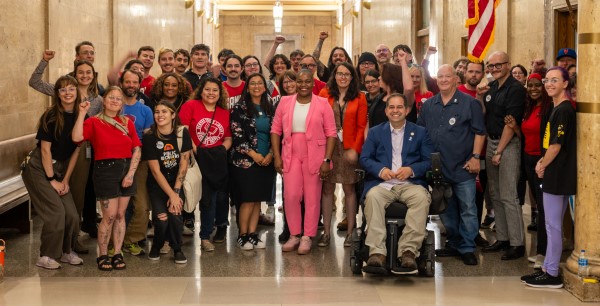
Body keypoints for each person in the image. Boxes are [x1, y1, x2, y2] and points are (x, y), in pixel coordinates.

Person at [418, 65, 486, 266]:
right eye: (440, 77)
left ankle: (467, 247)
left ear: (456, 79)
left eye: (448, 76)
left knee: (468, 208)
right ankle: (454, 243)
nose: (444, 80)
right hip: (438, 168)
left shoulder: (470, 103)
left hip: (463, 166)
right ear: (436, 80)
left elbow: (480, 132)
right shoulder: (429, 105)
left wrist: (475, 157)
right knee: (446, 208)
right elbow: (421, 133)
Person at [360, 93, 433, 274]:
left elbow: (429, 161)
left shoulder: (420, 132)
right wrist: (380, 170)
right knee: (373, 197)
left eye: (399, 107)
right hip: (382, 184)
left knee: (422, 199)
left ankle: (408, 252)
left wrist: (411, 169)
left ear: (407, 110)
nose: (395, 111)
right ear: (386, 111)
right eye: (391, 107)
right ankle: (377, 253)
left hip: (411, 183)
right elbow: (365, 158)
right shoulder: (376, 132)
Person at [72, 86, 142, 271]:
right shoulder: (94, 122)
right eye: (111, 97)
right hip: (105, 170)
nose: (114, 101)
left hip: (127, 169)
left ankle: (117, 252)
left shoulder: (127, 122)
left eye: (118, 99)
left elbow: (137, 148)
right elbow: (77, 137)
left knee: (120, 214)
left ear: (122, 103)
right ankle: (102, 254)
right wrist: (81, 113)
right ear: (104, 100)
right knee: (109, 215)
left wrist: (131, 173)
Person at [521, 66, 576, 289]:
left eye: (555, 80)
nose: (549, 84)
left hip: (558, 173)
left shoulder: (563, 109)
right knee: (552, 223)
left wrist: (542, 164)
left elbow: (556, 144)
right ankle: (547, 268)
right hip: (555, 171)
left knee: (552, 225)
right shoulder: (556, 107)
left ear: (565, 84)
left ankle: (551, 272)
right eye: (547, 80)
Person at [270, 69, 337, 255]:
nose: (304, 85)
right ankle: (294, 235)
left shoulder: (322, 103)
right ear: (295, 83)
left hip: (315, 155)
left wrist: (327, 159)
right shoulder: (285, 102)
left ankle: (307, 236)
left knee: (312, 197)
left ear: (313, 83)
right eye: (300, 81)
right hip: (291, 153)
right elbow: (275, 130)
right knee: (291, 195)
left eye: (308, 81)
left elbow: (331, 134)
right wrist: (277, 156)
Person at [22, 75, 84, 269]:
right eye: (63, 90)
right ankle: (46, 255)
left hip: (60, 169)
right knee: (56, 213)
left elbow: (76, 151)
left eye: (71, 89)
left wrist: (65, 179)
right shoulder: (51, 116)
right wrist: (51, 179)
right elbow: (45, 150)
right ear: (57, 94)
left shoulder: (82, 116)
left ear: (77, 92)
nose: (67, 93)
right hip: (38, 168)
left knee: (72, 215)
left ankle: (66, 252)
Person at [479, 51, 527, 260]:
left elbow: (511, 122)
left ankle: (517, 244)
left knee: (509, 195)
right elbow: (486, 113)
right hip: (491, 140)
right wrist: (480, 97)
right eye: (491, 65)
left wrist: (499, 151)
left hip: (508, 144)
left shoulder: (515, 89)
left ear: (508, 65)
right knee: (496, 193)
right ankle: (503, 238)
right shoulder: (492, 87)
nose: (495, 68)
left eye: (499, 65)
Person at [178, 77, 232, 251]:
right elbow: (183, 129)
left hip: (216, 160)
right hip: (194, 159)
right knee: (196, 196)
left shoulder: (224, 112)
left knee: (214, 199)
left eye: (215, 90)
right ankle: (188, 235)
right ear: (201, 91)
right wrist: (195, 150)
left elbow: (228, 137)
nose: (211, 93)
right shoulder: (190, 106)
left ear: (220, 93)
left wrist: (221, 150)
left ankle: (208, 234)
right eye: (207, 89)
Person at [505, 73, 552, 270]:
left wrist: (544, 161)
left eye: (537, 85)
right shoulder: (529, 108)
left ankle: (544, 252)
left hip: (543, 161)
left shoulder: (550, 109)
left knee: (544, 208)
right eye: (530, 85)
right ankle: (542, 250)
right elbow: (525, 135)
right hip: (528, 160)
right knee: (540, 206)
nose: (533, 89)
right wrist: (515, 128)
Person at [318, 62, 367, 247]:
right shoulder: (324, 94)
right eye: (340, 74)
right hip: (328, 148)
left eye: (347, 74)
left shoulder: (360, 97)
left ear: (352, 77)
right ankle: (326, 234)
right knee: (327, 189)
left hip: (349, 149)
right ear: (334, 75)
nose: (343, 77)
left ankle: (350, 233)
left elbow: (362, 127)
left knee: (349, 190)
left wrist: (355, 149)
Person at [230, 73, 277, 250]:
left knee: (258, 200)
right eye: (252, 83)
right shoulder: (239, 108)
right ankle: (242, 235)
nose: (256, 86)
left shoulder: (270, 107)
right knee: (247, 199)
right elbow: (237, 134)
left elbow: (277, 133)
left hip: (266, 161)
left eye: (260, 83)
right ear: (247, 87)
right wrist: (253, 154)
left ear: (265, 87)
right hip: (245, 161)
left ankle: (252, 234)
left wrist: (271, 154)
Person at [143, 101, 192, 264]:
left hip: (176, 182)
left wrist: (176, 192)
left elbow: (184, 163)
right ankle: (156, 246)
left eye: (165, 111)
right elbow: (155, 171)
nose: (160, 115)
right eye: (157, 112)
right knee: (162, 220)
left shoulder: (182, 133)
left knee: (176, 215)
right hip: (157, 185)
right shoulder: (149, 136)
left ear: (173, 115)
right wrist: (171, 194)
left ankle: (177, 248)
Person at [120, 70, 154, 256]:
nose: (131, 85)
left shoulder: (145, 110)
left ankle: (130, 240)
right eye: (128, 81)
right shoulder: (114, 105)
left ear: (139, 85)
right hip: (115, 161)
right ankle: (112, 242)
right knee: (117, 207)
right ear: (121, 83)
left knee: (141, 206)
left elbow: (148, 137)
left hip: (139, 161)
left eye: (135, 82)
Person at [458, 61, 491, 247]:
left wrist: (480, 97)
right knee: (461, 195)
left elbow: (482, 116)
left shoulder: (487, 93)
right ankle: (458, 233)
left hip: (481, 152)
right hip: (461, 151)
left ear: (482, 74)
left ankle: (474, 231)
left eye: (477, 72)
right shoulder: (458, 91)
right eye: (470, 71)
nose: (473, 75)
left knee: (478, 195)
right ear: (464, 73)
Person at [368, 55, 414, 127]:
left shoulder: (402, 98)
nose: (379, 77)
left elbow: (409, 88)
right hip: (375, 137)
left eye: (381, 75)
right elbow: (369, 122)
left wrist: (403, 61)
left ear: (389, 77)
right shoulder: (379, 97)